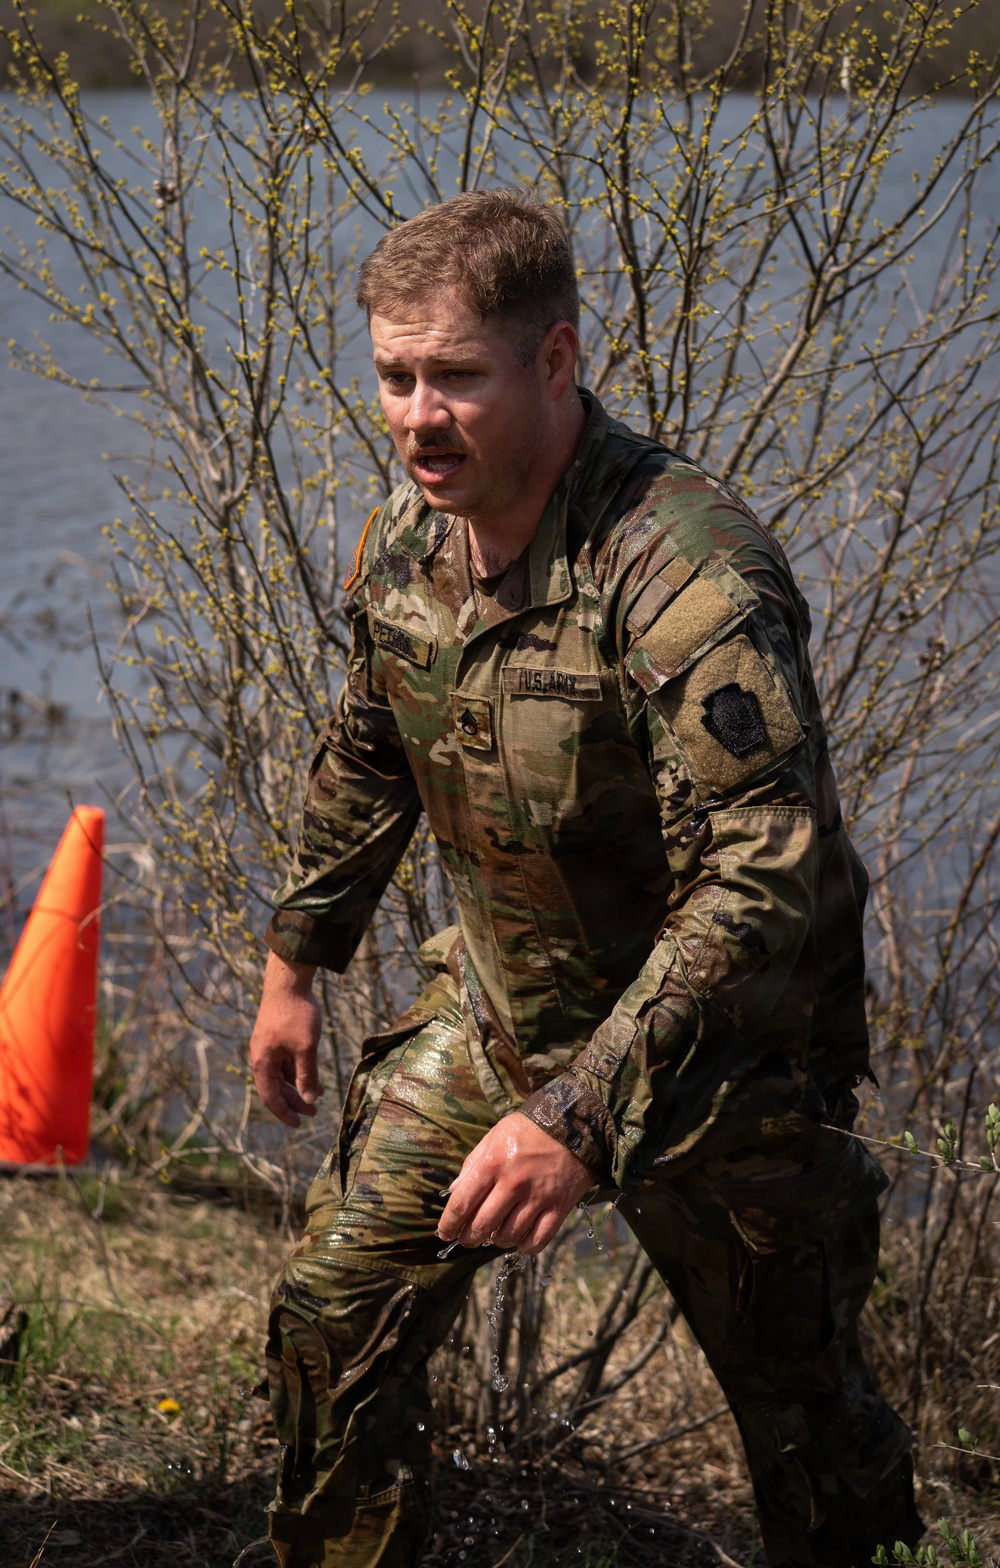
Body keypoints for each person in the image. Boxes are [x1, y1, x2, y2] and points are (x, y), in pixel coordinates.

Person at [248, 188, 923, 1568]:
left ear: (555, 360)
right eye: (393, 376)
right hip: (505, 1018)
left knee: (809, 1441)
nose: (417, 417)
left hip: (725, 1066)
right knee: (331, 1317)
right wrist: (294, 964)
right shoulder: (407, 548)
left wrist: (579, 1118)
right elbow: (373, 746)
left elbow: (761, 876)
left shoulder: (686, 570)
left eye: (457, 378)